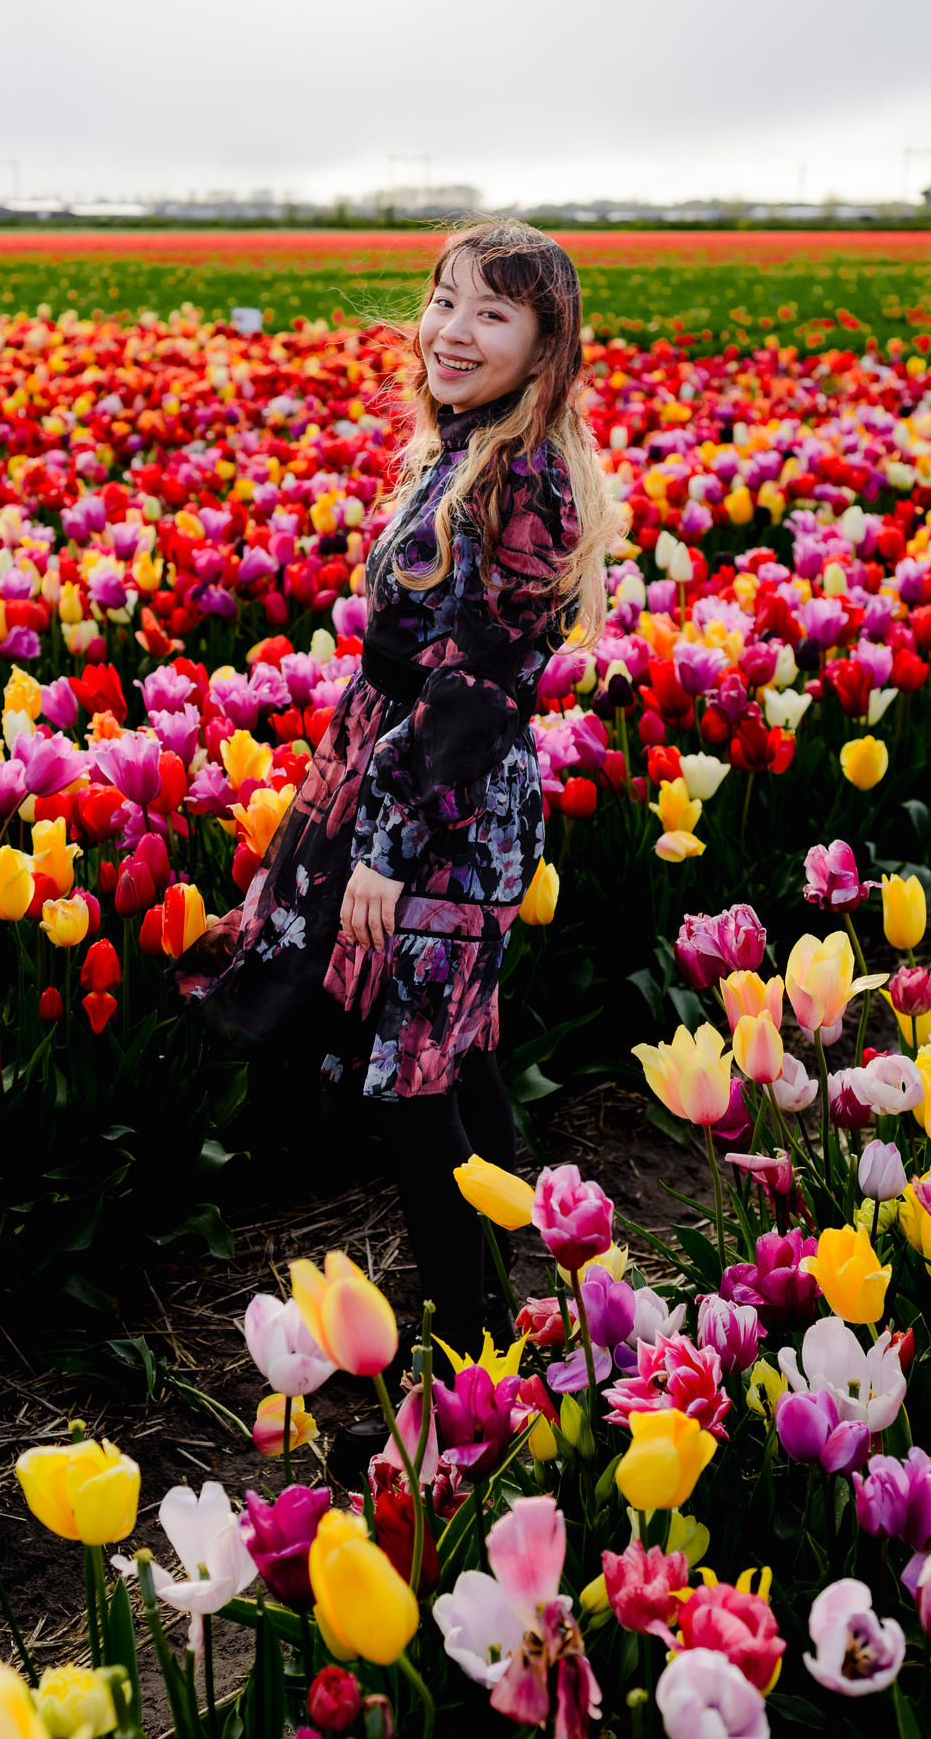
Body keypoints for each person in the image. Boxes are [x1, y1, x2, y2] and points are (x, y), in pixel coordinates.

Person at [181, 219, 623, 1358]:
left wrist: (383, 845)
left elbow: (473, 691)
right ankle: (531, 1303)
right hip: (411, 777)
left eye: (491, 312)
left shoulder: (519, 481)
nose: (452, 329)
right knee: (455, 1052)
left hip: (445, 805)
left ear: (545, 345)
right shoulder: (467, 448)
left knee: (416, 1080)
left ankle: (471, 1353)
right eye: (442, 300)